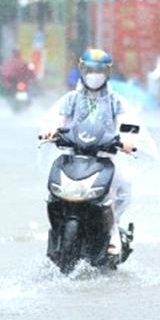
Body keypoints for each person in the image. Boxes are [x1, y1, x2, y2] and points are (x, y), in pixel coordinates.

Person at [38, 48, 136, 254]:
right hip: (74, 155)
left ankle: (113, 232)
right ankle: (57, 230)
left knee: (125, 186)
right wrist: (50, 131)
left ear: (107, 72)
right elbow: (58, 120)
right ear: (82, 70)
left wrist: (126, 140)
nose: (94, 75)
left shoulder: (115, 101)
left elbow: (125, 123)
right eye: (90, 70)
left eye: (99, 70)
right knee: (53, 191)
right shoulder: (71, 99)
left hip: (105, 157)